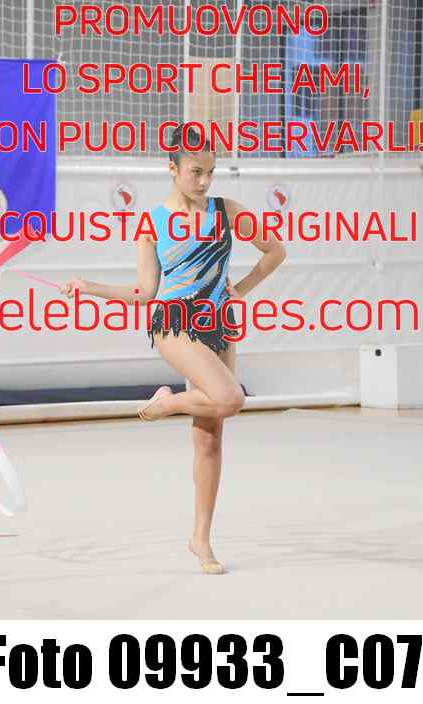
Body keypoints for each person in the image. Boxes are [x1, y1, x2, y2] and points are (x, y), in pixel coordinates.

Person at [60, 124, 286, 574]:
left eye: (210, 172)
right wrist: (90, 287)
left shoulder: (227, 211)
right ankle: (165, 404)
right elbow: (146, 291)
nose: (204, 181)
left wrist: (240, 289)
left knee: (209, 436)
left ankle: (201, 540)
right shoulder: (152, 223)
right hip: (175, 323)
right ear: (173, 168)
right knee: (230, 399)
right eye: (196, 172)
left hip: (220, 324)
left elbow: (274, 251)